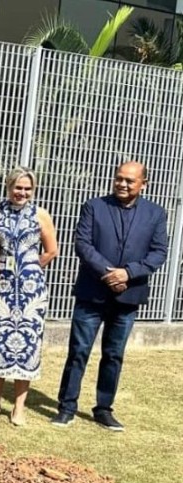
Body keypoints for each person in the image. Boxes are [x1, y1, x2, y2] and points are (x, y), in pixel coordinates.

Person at [52, 161, 168, 431]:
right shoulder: (94, 207)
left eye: (129, 180)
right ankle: (67, 407)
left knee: (114, 355)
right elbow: (83, 244)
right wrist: (109, 273)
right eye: (119, 178)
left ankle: (103, 409)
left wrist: (128, 273)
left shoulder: (155, 214)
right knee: (78, 351)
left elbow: (159, 252)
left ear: (143, 184)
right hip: (92, 293)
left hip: (128, 296)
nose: (122, 184)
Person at [0, 168, 58, 426]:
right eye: (18, 187)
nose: (22, 193)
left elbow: (51, 250)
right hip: (1, 287)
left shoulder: (40, 214)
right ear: (8, 186)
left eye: (27, 189)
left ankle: (19, 407)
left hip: (30, 292)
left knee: (27, 347)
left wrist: (30, 267)